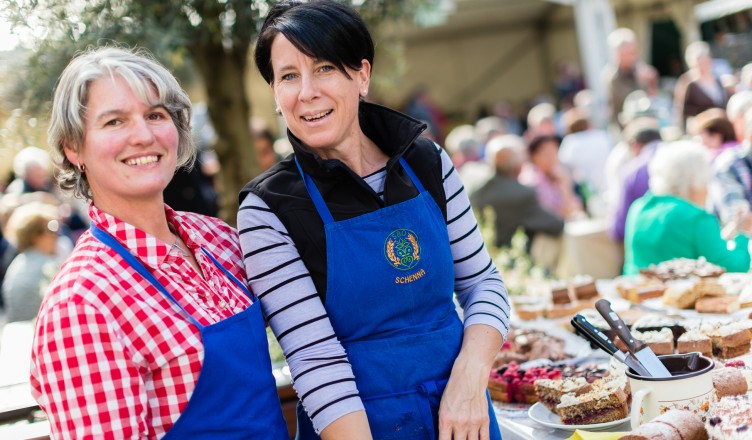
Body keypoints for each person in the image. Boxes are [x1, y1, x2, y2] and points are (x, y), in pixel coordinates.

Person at [242, 1, 510, 439]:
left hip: (464, 418)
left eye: (325, 68)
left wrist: (469, 379)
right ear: (275, 94)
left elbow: (484, 283)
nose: (306, 91)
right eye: (288, 76)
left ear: (361, 75)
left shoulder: (425, 160)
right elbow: (314, 359)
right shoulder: (268, 209)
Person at [30, 46, 290, 439]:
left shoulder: (218, 239)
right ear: (73, 147)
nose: (143, 135)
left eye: (155, 115)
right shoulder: (82, 304)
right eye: (115, 121)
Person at [623, 141, 749, 275]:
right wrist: (742, 233)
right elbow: (734, 267)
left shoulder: (638, 208)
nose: (707, 190)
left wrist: (730, 233)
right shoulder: (697, 218)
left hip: (635, 291)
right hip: (678, 293)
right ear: (694, 182)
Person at [471, 134, 564, 250]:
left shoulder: (476, 189)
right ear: (520, 165)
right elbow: (556, 226)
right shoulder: (522, 194)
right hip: (513, 259)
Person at [1, 202, 62, 323]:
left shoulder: (18, 261)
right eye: (51, 228)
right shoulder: (48, 265)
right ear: (34, 235)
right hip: (37, 331)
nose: (57, 235)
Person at [519, 135, 583, 220]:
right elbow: (554, 216)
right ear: (534, 156)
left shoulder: (556, 175)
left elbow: (576, 207)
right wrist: (565, 184)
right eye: (547, 153)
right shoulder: (531, 180)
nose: (552, 157)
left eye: (554, 152)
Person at [674, 41, 729, 133]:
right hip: (702, 133)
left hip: (720, 131)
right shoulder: (687, 83)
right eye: (700, 59)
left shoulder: (717, 80)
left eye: (706, 58)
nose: (704, 62)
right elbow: (681, 112)